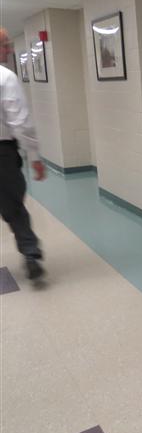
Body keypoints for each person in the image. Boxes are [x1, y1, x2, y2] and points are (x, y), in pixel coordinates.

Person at [0, 28, 46, 280]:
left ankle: (30, 252)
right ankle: (30, 253)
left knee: (12, 206)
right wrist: (35, 157)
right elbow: (21, 123)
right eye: (5, 45)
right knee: (14, 205)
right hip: (2, 155)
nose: (9, 50)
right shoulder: (5, 77)